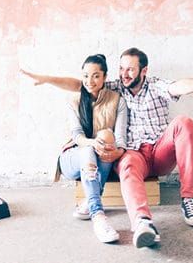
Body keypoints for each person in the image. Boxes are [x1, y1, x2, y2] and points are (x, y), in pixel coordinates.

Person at [21, 47, 193, 249]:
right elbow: (81, 84)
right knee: (125, 162)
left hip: (160, 151)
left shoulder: (155, 85)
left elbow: (177, 86)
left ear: (144, 71)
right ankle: (143, 223)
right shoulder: (115, 87)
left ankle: (189, 200)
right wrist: (47, 78)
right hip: (134, 154)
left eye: (130, 70)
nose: (124, 74)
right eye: (121, 69)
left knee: (184, 122)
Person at [22, 54, 127, 244]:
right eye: (85, 76)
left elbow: (120, 139)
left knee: (106, 137)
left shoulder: (117, 100)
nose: (89, 81)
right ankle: (98, 217)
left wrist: (115, 150)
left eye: (96, 76)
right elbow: (77, 136)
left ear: (105, 77)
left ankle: (90, 201)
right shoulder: (75, 100)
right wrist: (92, 143)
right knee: (88, 149)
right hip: (73, 157)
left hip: (101, 157)